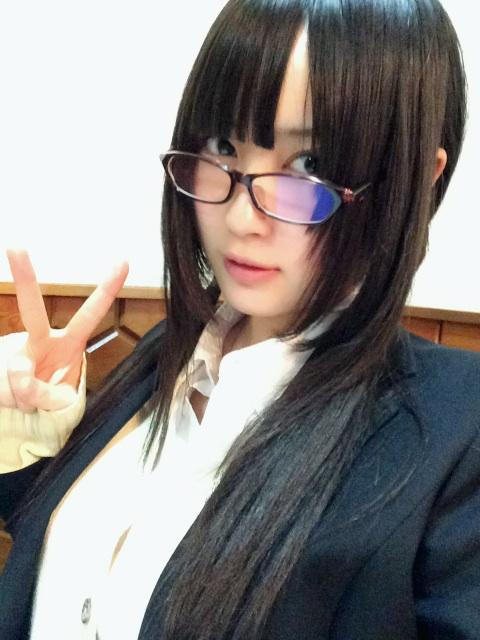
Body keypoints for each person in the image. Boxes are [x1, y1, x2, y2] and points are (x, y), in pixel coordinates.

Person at [1, 0, 479, 638]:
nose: (240, 216)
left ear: (415, 178)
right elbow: (67, 577)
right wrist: (30, 442)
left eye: (310, 165)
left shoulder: (455, 429)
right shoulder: (165, 354)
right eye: (224, 146)